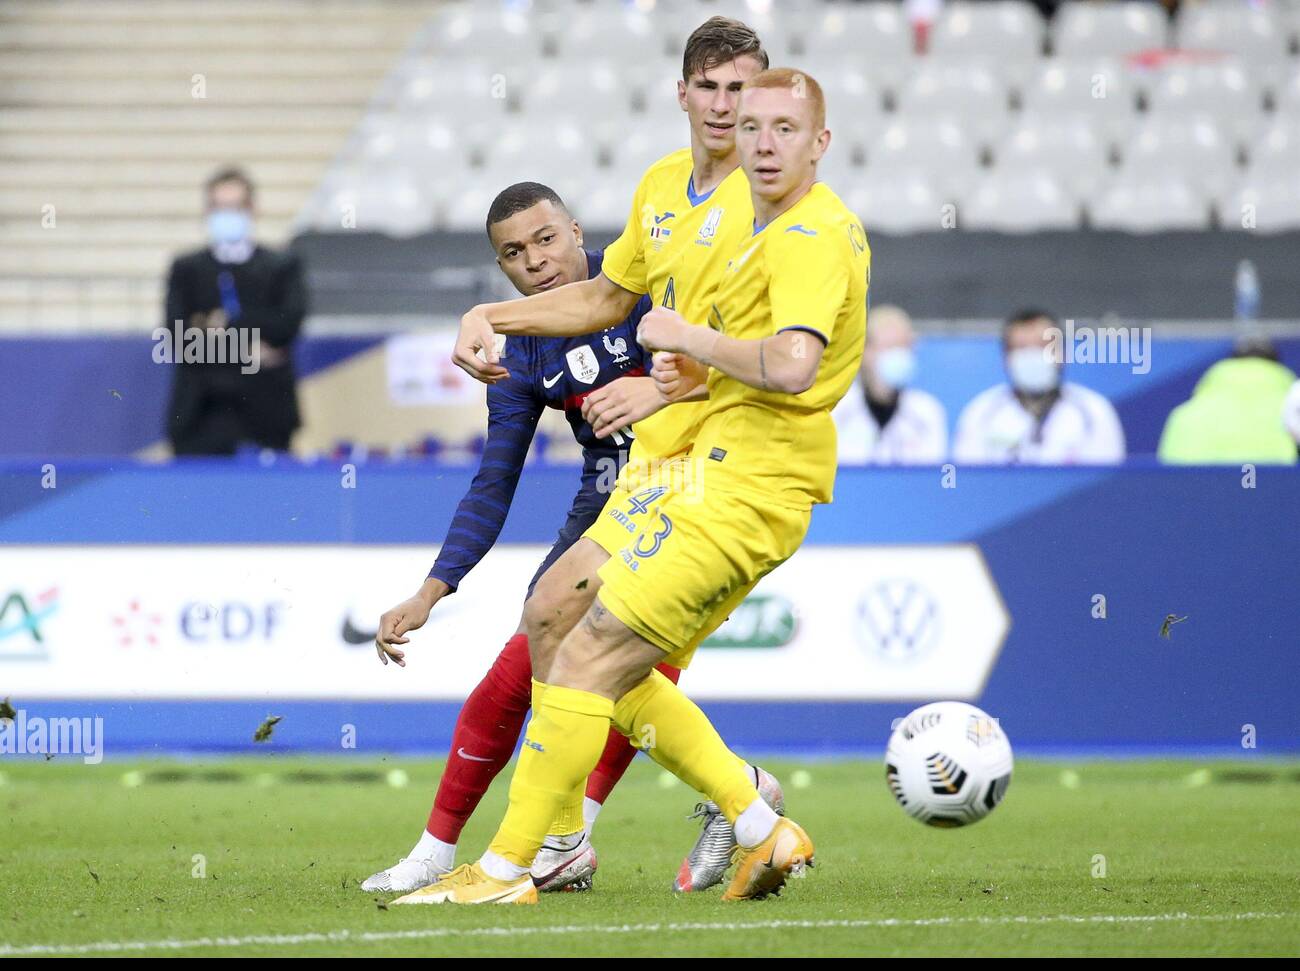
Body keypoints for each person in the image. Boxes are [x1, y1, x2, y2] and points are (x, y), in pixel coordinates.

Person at [398, 66, 869, 906]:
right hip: (662, 475)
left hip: (741, 479)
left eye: (778, 126)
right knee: (549, 619)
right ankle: (753, 814)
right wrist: (489, 318)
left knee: (586, 659)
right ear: (689, 101)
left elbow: (789, 361)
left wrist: (673, 365)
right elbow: (502, 465)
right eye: (741, 117)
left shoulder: (804, 236)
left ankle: (515, 865)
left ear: (820, 142)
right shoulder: (695, 212)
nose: (755, 136)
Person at [363, 182, 670, 895]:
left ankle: (576, 832)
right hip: (606, 498)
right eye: (513, 252)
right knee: (528, 667)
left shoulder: (644, 285)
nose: (534, 260)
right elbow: (494, 481)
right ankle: (444, 849)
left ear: (577, 231)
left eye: (545, 239)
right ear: (500, 269)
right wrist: (431, 590)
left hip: (689, 489)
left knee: (618, 659)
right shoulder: (522, 350)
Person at [164, 166, 307, 455]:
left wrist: (226, 325)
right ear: (207, 210)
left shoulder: (281, 267)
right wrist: (250, 349)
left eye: (235, 206)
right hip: (201, 415)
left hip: (268, 415)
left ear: (252, 209)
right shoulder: (187, 269)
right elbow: (180, 337)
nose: (227, 215)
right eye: (220, 207)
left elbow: (287, 325)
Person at [952, 309, 1125, 465]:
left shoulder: (1094, 411)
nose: (1032, 356)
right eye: (1021, 348)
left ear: (1062, 352)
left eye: (1043, 346)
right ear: (1005, 358)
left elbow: (1105, 482)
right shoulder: (981, 412)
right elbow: (969, 481)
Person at [832, 304, 947, 464]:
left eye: (903, 347)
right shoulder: (836, 410)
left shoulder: (927, 412)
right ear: (864, 351)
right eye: (888, 347)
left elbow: (929, 479)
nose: (897, 356)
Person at [1158, 337, 1299, 464]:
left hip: (1199, 491)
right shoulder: (1294, 414)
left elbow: (1167, 482)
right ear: (1277, 367)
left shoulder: (1183, 416)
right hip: (1278, 492)